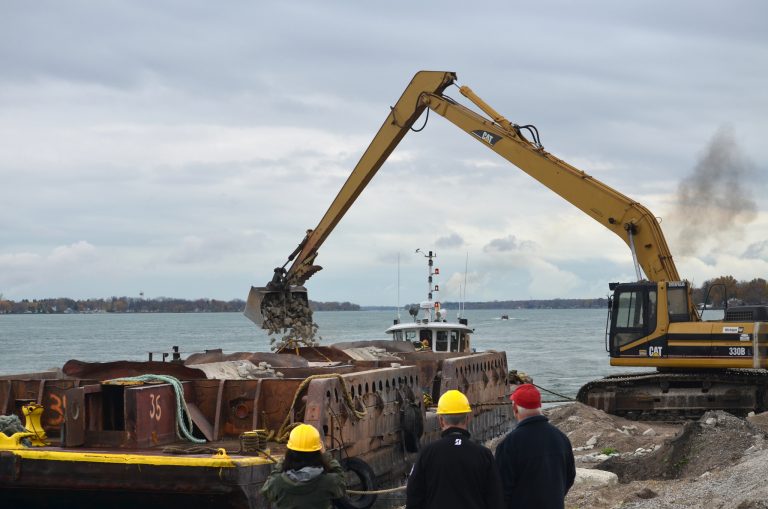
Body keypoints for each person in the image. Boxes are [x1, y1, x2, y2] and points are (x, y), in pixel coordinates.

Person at [406, 389, 504, 509]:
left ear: (441, 421)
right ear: (467, 419)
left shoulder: (427, 453)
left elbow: (413, 496)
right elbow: (496, 499)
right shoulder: (484, 455)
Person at [495, 384, 576, 509]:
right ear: (540, 406)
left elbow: (502, 489)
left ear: (515, 409)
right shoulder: (561, 438)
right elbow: (569, 477)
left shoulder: (509, 444)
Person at [261, 423, 346, 509]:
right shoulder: (329, 481)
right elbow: (341, 482)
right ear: (318, 453)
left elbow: (266, 490)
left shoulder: (278, 482)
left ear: (290, 453)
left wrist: (283, 459)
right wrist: (325, 455)